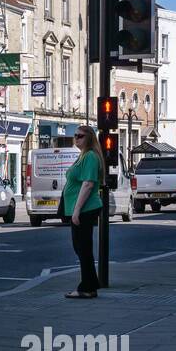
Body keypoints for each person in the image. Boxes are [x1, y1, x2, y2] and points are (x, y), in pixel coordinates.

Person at [63, 124, 105, 299]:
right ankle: (90, 284)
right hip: (82, 209)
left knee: (82, 248)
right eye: (75, 135)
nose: (76, 138)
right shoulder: (84, 156)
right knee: (81, 248)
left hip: (85, 209)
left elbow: (88, 184)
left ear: (89, 138)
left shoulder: (90, 157)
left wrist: (77, 210)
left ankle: (87, 287)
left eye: (80, 136)